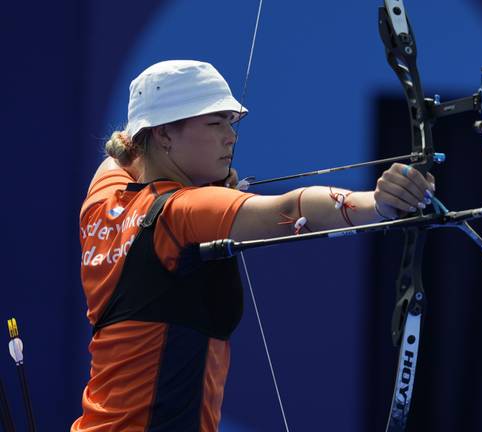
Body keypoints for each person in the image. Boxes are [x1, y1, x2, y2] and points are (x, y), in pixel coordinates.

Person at [71, 60, 435, 431]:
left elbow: (120, 155)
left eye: (231, 122)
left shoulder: (103, 198)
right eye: (216, 123)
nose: (231, 136)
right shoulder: (182, 211)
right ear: (164, 135)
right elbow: (289, 208)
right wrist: (379, 204)